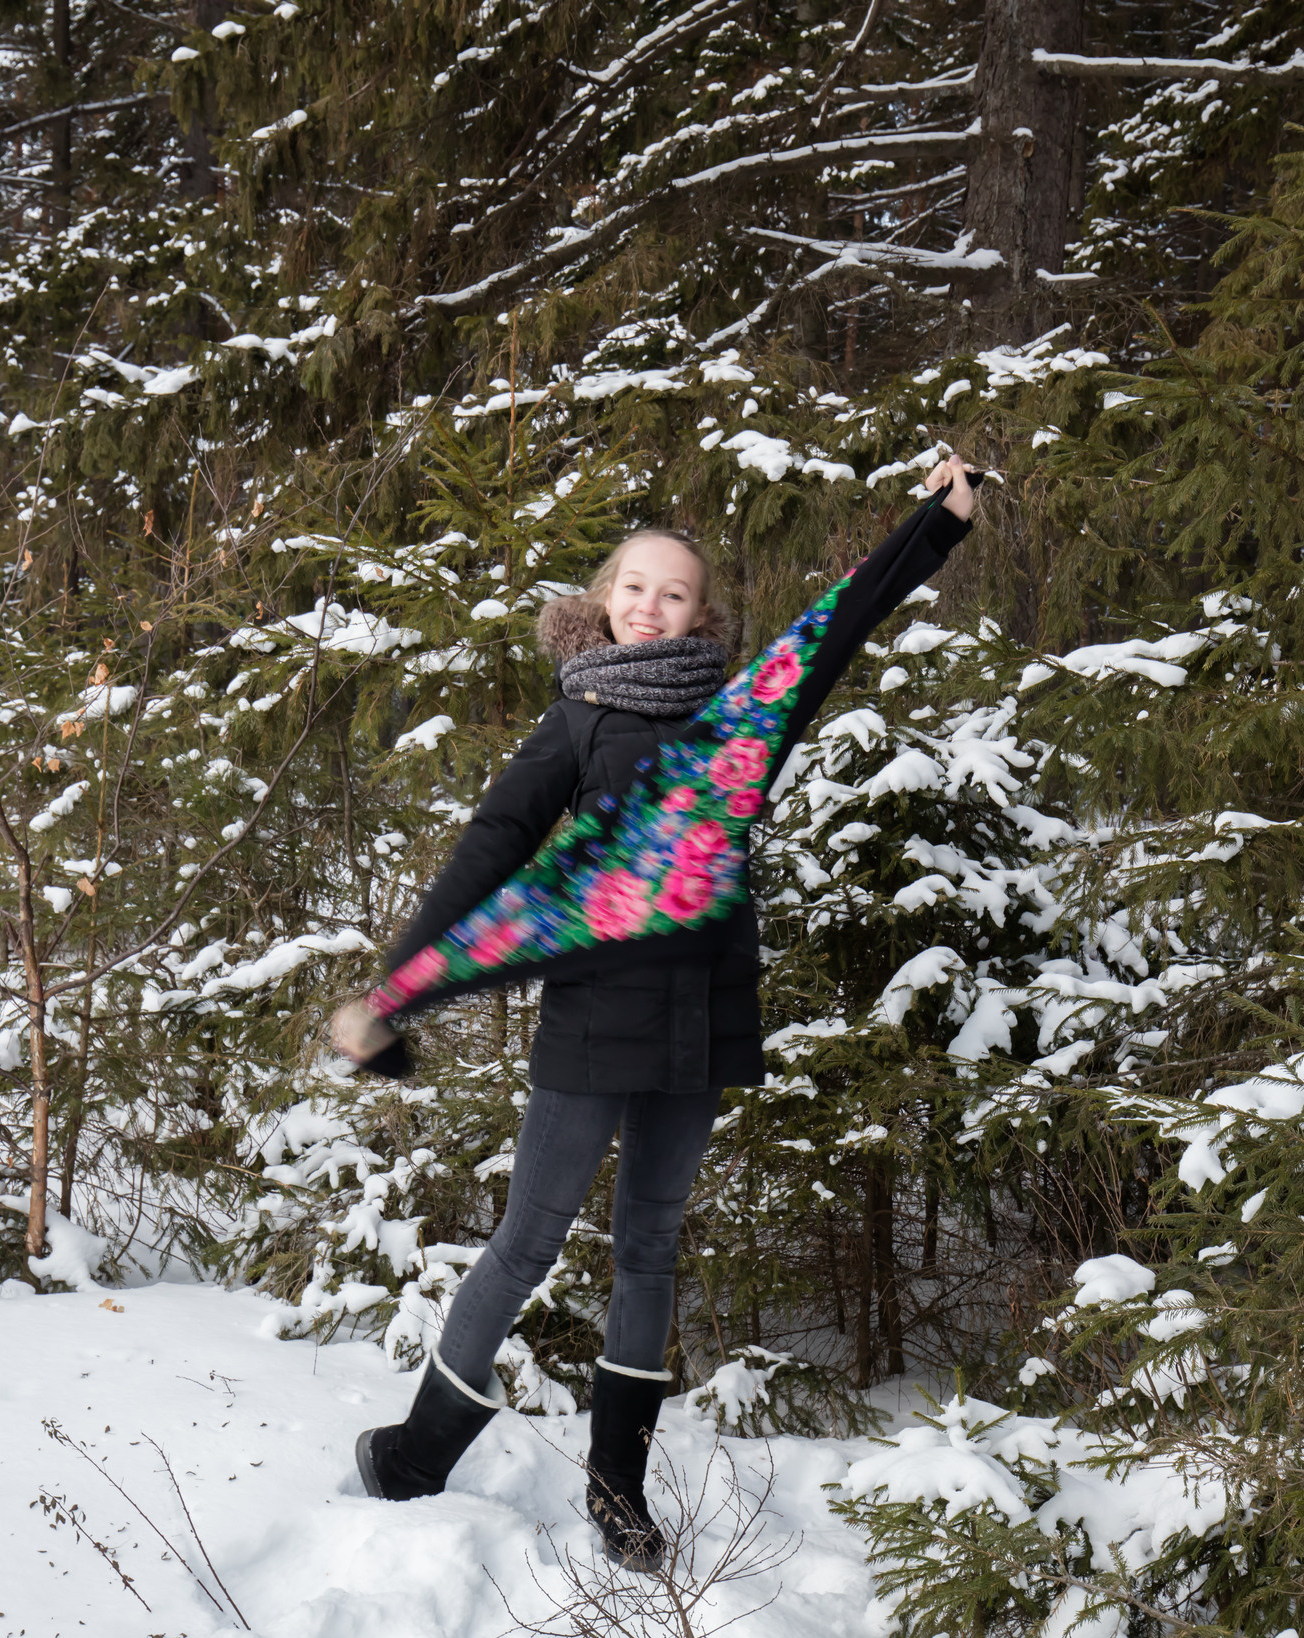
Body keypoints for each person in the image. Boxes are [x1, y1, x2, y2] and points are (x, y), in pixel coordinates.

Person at [328, 456, 977, 1570]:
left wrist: (941, 521)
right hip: (589, 1028)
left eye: (672, 592)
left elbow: (841, 624)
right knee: (526, 1242)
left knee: (650, 1250)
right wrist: (400, 983)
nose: (650, 604)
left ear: (699, 613)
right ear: (602, 600)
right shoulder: (575, 721)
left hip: (703, 1027)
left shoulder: (743, 716)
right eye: (633, 585)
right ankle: (419, 1455)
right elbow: (492, 855)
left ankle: (617, 1491)